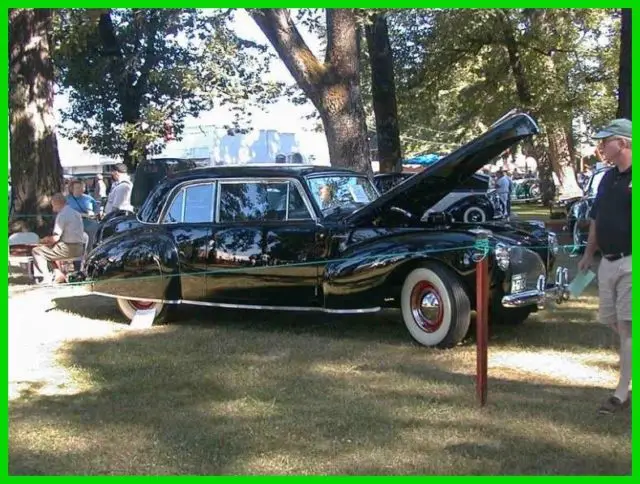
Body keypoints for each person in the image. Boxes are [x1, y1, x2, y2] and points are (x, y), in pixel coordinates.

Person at [577, 118, 632, 415]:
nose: (601, 147)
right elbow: (596, 218)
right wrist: (588, 254)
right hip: (607, 263)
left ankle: (621, 394)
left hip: (631, 263)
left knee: (627, 328)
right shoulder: (608, 178)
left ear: (623, 143)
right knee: (612, 321)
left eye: (606, 140)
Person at [31, 193, 85, 285]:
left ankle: (45, 277)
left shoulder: (62, 215)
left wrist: (43, 240)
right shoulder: (76, 213)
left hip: (68, 248)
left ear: (56, 203)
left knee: (37, 251)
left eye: (52, 205)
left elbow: (55, 238)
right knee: (48, 251)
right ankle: (58, 274)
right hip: (80, 248)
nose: (52, 208)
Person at [66, 180, 100, 250]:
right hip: (74, 225)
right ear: (72, 189)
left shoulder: (89, 198)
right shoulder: (67, 199)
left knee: (91, 244)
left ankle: (89, 256)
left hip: (89, 224)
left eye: (82, 187)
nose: (81, 189)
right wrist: (82, 214)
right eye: (78, 187)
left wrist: (94, 213)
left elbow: (96, 209)